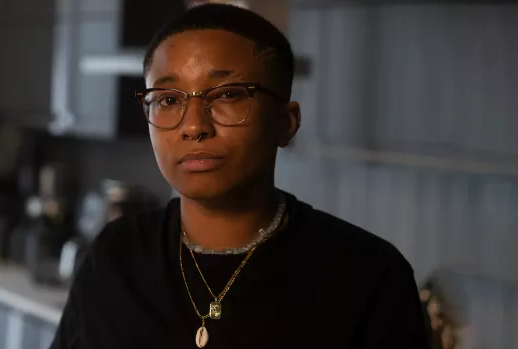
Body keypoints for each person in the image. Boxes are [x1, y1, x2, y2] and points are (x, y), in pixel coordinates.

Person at [50, 3, 429, 348]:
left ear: (286, 122)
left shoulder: (366, 276)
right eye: (168, 100)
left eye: (227, 95)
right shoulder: (115, 257)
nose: (194, 126)